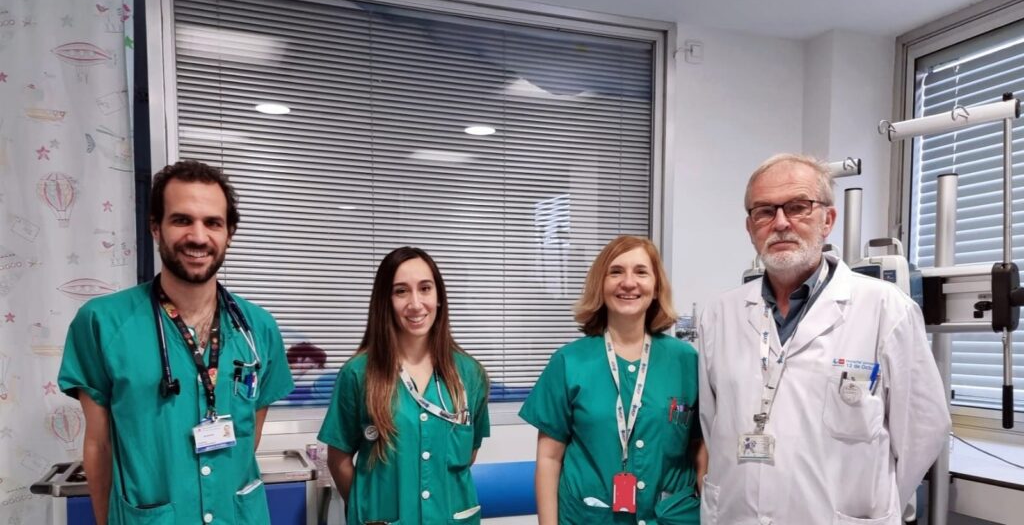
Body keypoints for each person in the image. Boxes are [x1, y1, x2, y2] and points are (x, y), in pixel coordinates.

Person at [697, 153, 950, 524]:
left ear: (827, 220)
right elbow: (712, 421)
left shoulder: (886, 309)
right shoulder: (720, 314)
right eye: (765, 211)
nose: (781, 222)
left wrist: (880, 502)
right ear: (750, 228)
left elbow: (925, 429)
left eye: (798, 207)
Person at [58, 160, 294, 525]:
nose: (198, 237)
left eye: (213, 223)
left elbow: (250, 437)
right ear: (156, 227)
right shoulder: (103, 323)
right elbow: (99, 446)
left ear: (229, 232)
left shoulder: (258, 329)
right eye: (182, 220)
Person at [520, 235, 704, 525]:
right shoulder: (570, 362)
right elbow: (549, 459)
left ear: (655, 287)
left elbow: (700, 448)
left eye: (641, 272)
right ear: (600, 285)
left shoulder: (686, 360)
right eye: (616, 271)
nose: (628, 282)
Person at [318, 246, 490, 524]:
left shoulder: (470, 375)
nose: (415, 303)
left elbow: (468, 455)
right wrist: (366, 509)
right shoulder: (358, 373)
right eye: (401, 291)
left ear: (439, 298)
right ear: (385, 301)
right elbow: (338, 459)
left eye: (425, 288)